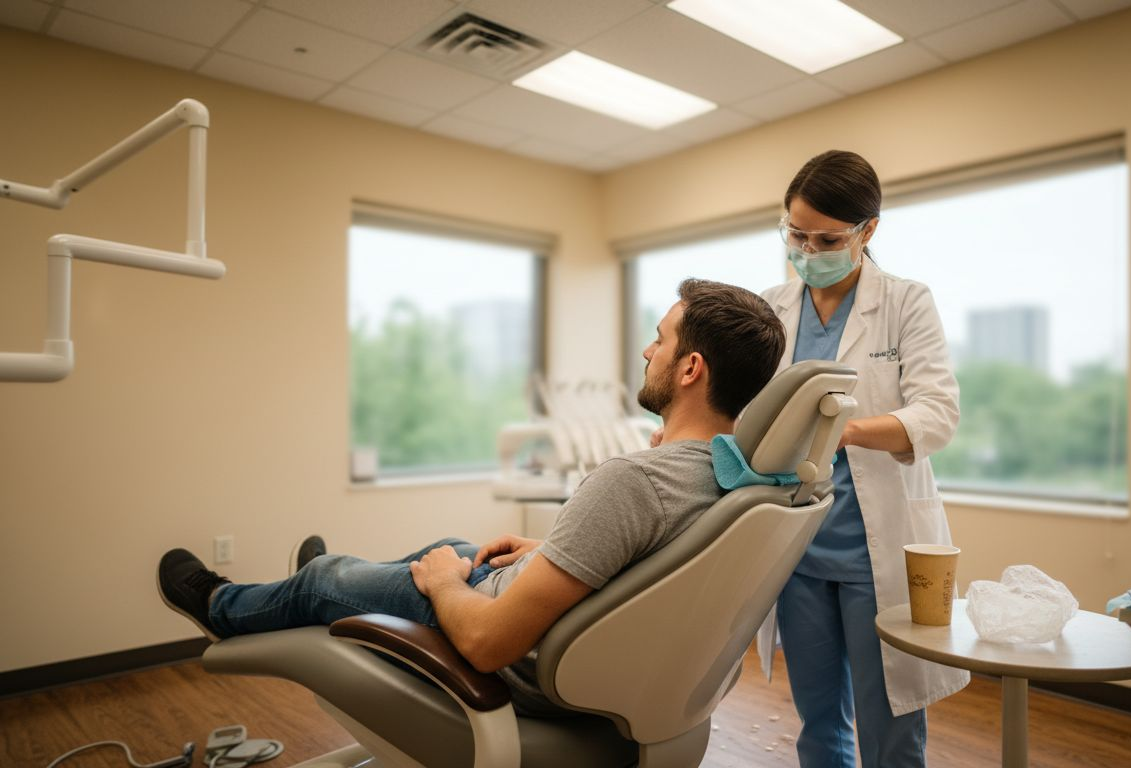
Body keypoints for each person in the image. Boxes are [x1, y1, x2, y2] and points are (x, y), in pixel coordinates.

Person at [157, 278, 786, 716]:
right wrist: (554, 550)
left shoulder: (635, 479)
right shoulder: (738, 477)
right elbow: (664, 569)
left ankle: (226, 604)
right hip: (566, 627)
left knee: (335, 577)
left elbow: (488, 644)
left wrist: (443, 587)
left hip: (515, 657)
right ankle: (331, 588)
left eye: (660, 339)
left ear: (690, 368)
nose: (647, 351)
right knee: (450, 546)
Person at [760, 150, 967, 767]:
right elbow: (746, 410)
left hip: (875, 549)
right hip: (796, 546)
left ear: (867, 230)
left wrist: (840, 430)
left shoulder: (905, 302)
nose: (808, 250)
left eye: (827, 240)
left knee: (890, 719)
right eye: (796, 234)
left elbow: (937, 414)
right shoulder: (771, 307)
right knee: (818, 717)